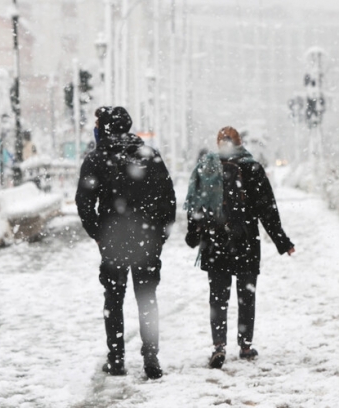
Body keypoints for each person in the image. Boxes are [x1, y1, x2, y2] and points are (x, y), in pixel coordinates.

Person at [76, 106, 176, 379]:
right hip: (146, 241)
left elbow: (84, 204)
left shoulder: (96, 159)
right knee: (147, 300)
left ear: (105, 128)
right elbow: (168, 198)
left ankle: (117, 358)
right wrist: (158, 235)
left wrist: (98, 233)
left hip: (114, 242)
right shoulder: (149, 156)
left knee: (113, 299)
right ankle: (151, 358)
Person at [185, 126, 295, 370]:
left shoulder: (208, 167)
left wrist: (193, 235)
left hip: (215, 241)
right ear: (239, 142)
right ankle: (245, 346)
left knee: (218, 298)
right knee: (246, 296)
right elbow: (268, 210)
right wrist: (282, 241)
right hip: (245, 239)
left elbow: (196, 206)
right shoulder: (252, 167)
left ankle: (219, 346)